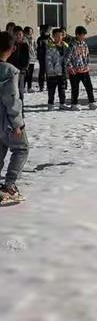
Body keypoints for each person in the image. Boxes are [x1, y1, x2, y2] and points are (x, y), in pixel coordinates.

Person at [0, 31, 29, 203]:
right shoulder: (9, 71)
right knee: (21, 148)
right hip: (7, 121)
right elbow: (11, 99)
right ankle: (9, 185)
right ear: (12, 49)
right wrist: (17, 123)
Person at [66, 26, 97, 111]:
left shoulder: (85, 44)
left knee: (89, 87)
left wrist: (87, 65)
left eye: (84, 35)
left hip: (84, 70)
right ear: (77, 35)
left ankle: (91, 103)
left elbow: (87, 56)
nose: (83, 37)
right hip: (74, 71)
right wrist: (70, 67)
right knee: (75, 88)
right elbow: (67, 58)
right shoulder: (72, 45)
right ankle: (74, 104)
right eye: (82, 35)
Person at [46, 29, 69, 111]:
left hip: (62, 72)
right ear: (53, 36)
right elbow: (48, 60)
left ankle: (62, 103)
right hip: (52, 73)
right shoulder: (50, 46)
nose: (59, 37)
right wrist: (51, 70)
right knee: (51, 89)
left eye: (60, 35)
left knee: (62, 89)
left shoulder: (65, 46)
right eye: (57, 36)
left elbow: (68, 58)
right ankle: (50, 104)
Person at [7, 26, 30, 110]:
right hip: (10, 71)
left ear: (22, 35)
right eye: (16, 34)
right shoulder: (10, 46)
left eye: (20, 34)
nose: (18, 36)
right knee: (11, 91)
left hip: (20, 72)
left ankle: (21, 109)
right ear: (13, 35)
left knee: (20, 91)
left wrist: (24, 69)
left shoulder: (24, 45)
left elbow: (27, 59)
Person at [37, 25, 51, 92]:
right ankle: (41, 86)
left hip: (49, 58)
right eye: (47, 31)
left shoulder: (50, 39)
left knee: (49, 73)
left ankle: (49, 86)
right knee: (42, 72)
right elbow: (39, 49)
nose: (48, 32)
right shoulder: (40, 39)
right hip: (42, 58)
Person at [23, 26, 36, 93]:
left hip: (32, 59)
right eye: (29, 32)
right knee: (25, 74)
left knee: (30, 74)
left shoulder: (32, 40)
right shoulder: (24, 40)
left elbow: (34, 49)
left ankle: (29, 87)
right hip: (26, 59)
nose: (30, 33)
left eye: (31, 32)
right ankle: (23, 87)